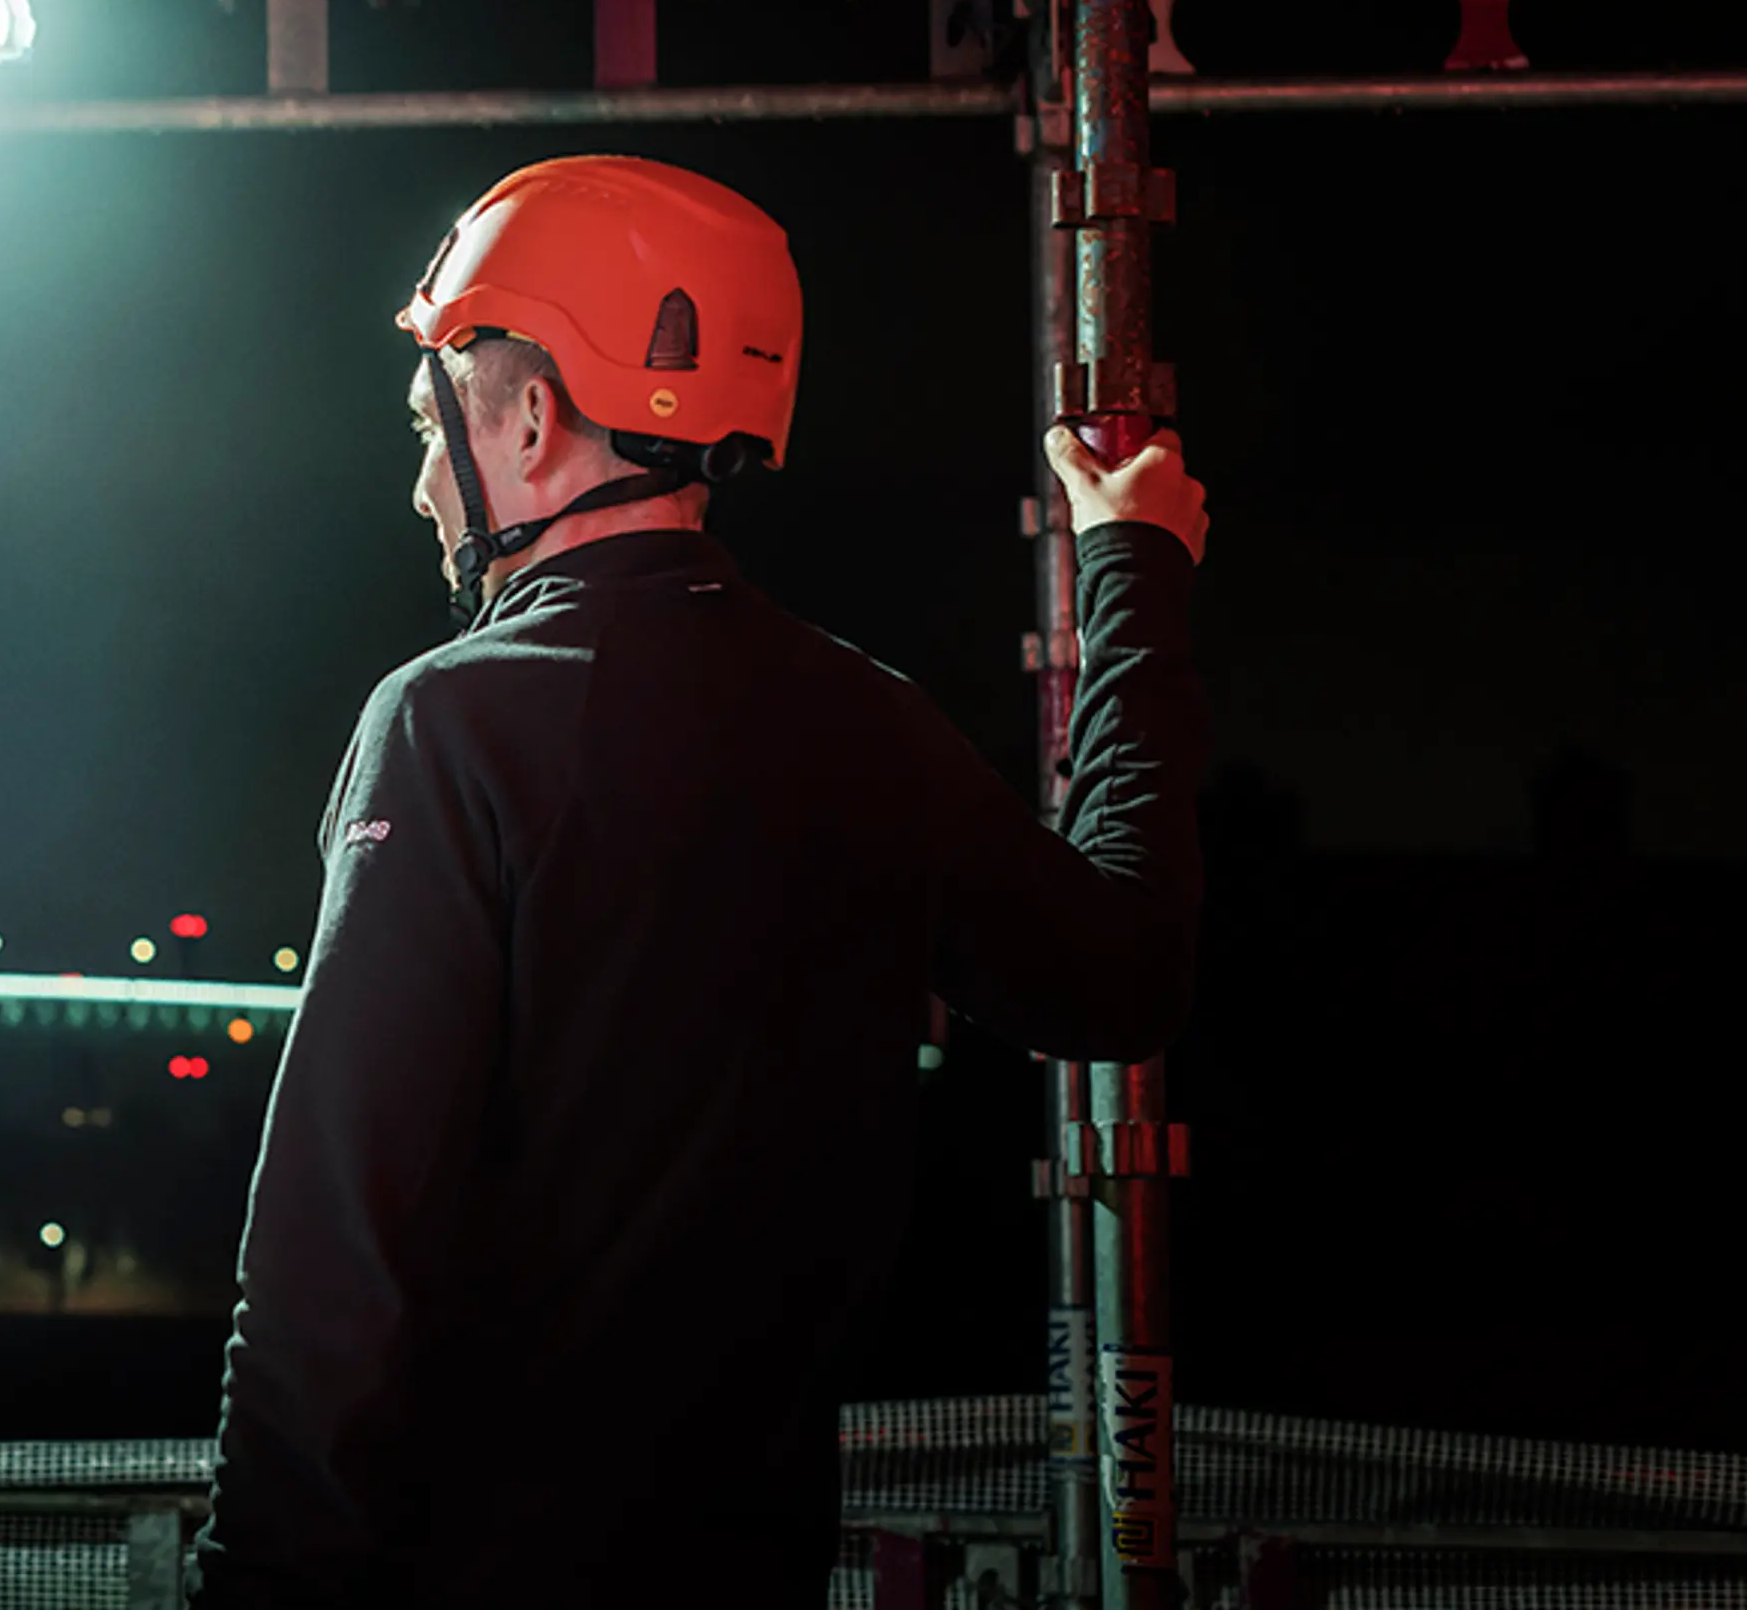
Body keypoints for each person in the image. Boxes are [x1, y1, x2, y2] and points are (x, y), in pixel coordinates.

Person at [193, 157, 1208, 1608]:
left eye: (436, 424)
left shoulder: (451, 723)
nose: (424, 485)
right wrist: (1133, 573)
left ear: (533, 418)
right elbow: (1127, 974)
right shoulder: (876, 729)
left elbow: (329, 1257)